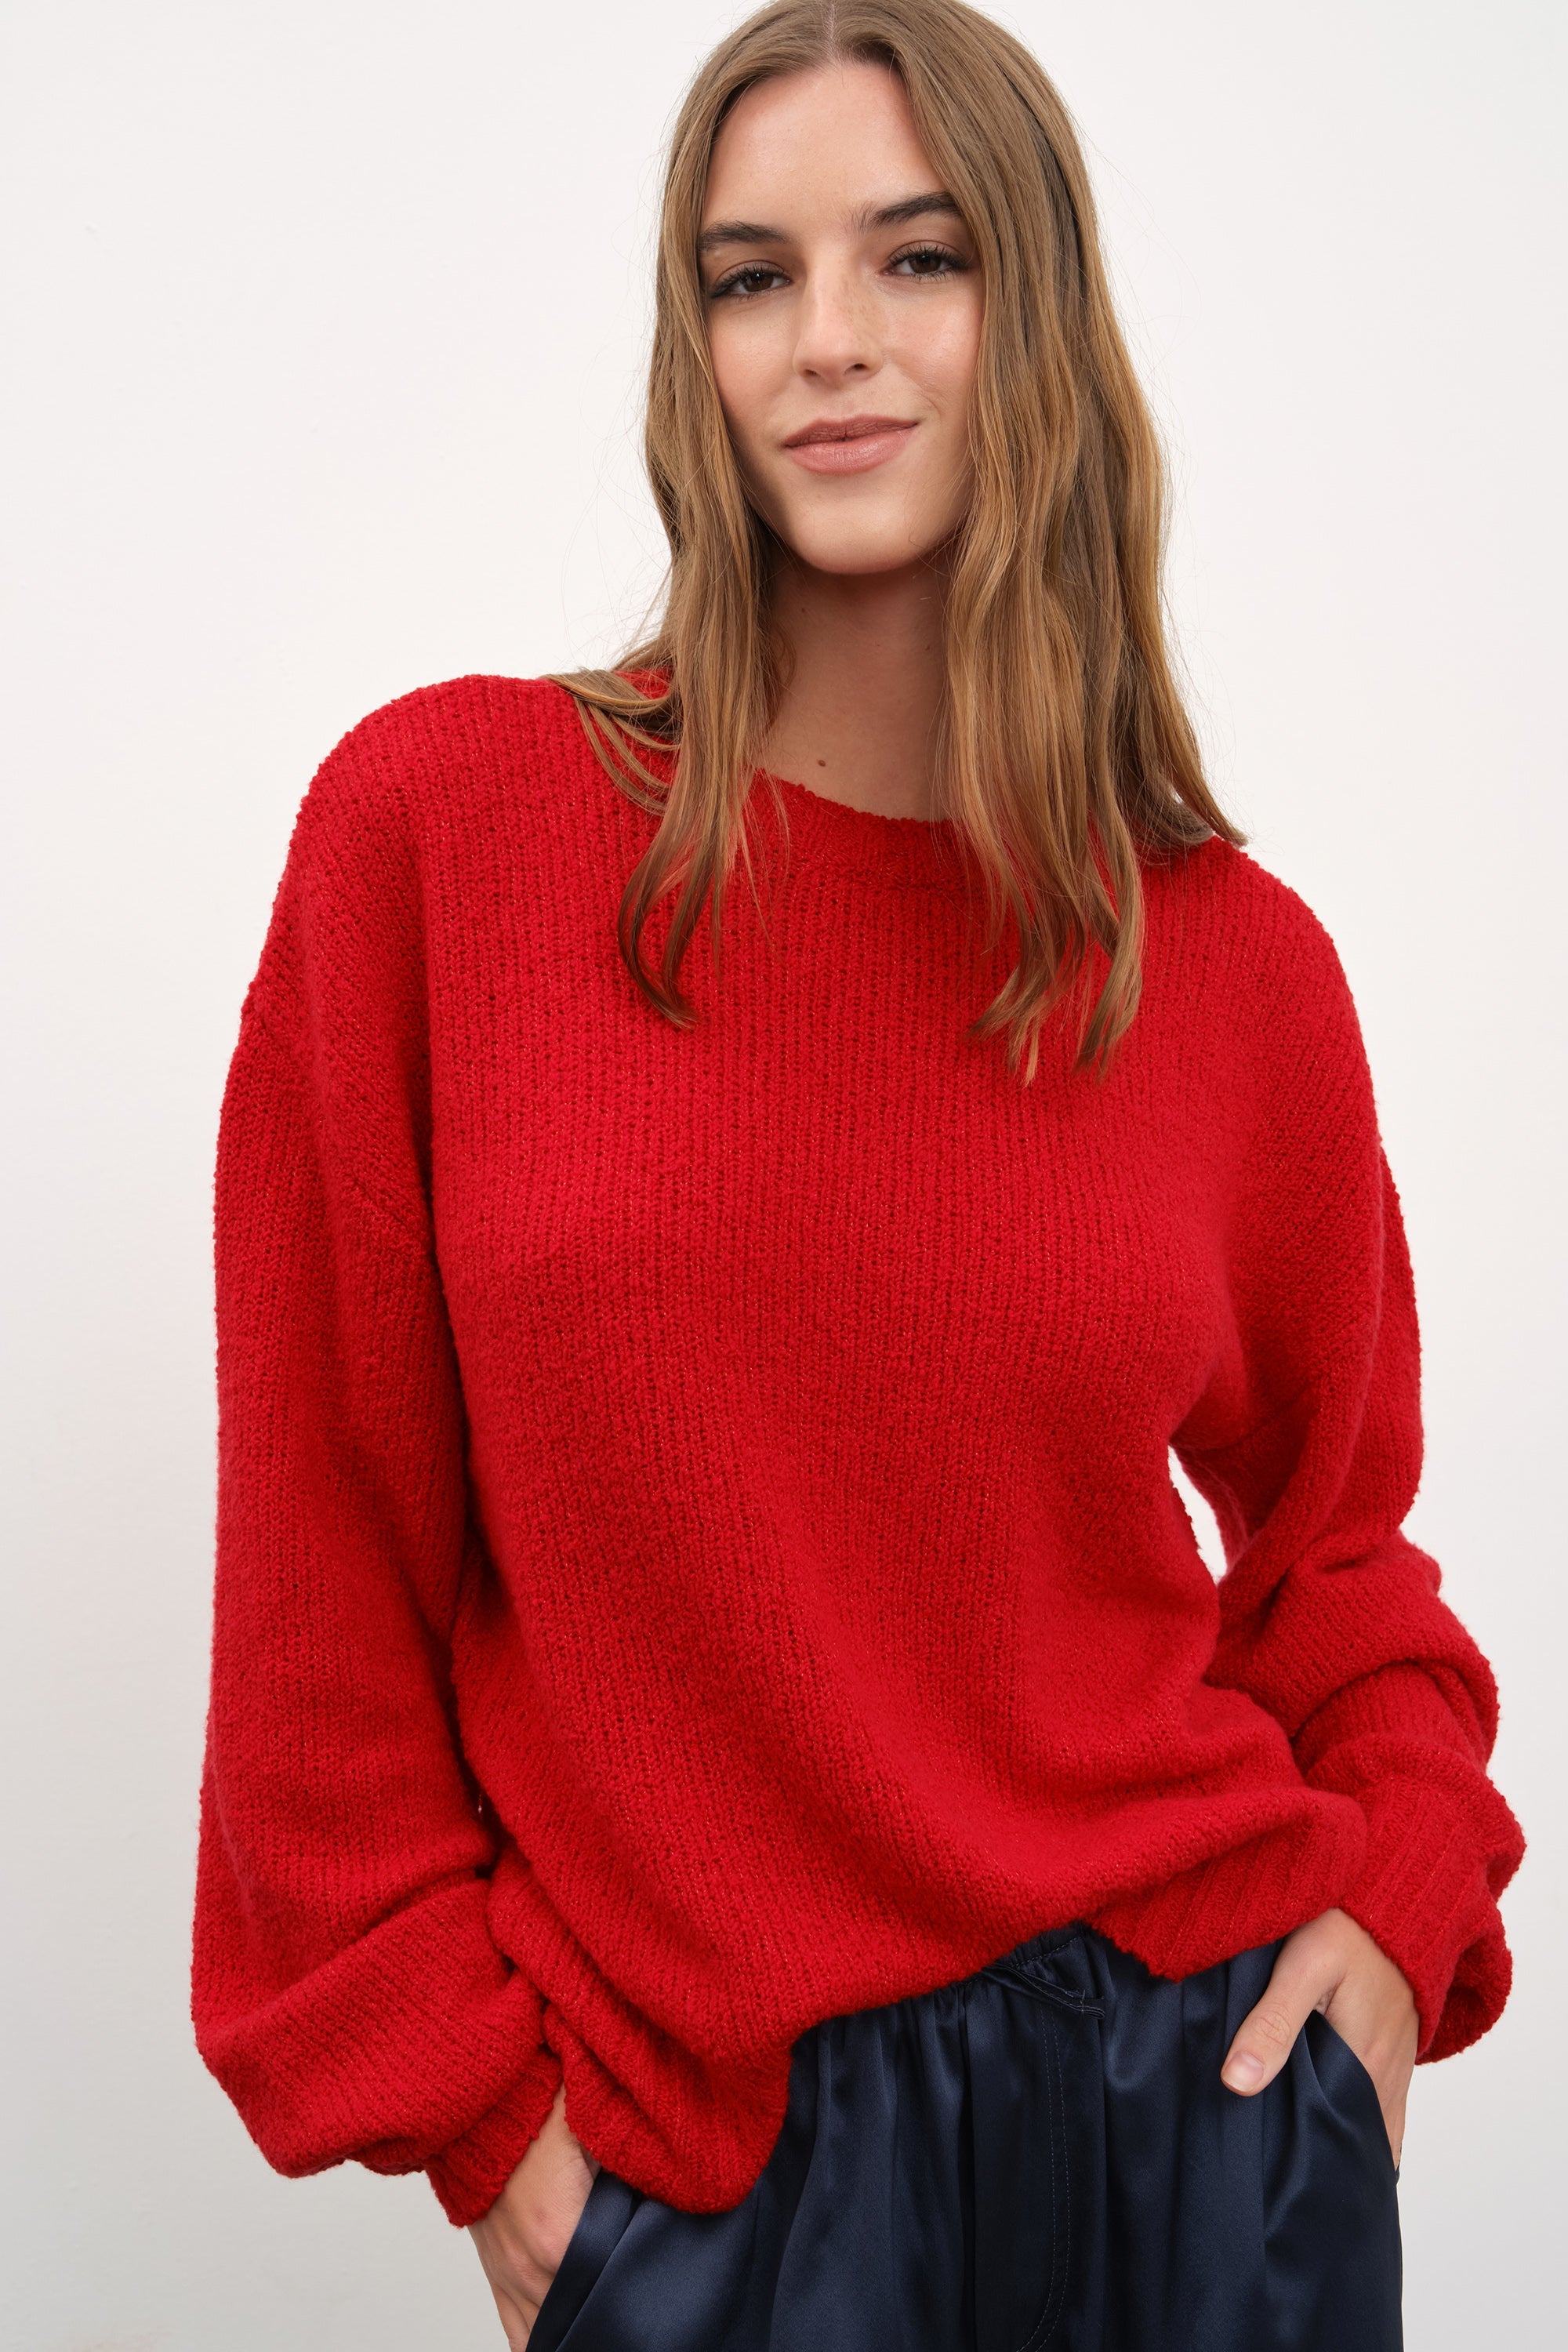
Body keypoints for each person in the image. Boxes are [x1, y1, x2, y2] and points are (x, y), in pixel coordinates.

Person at [190, 3, 1526, 2346]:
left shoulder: (1230, 965)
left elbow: (1336, 1554)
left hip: (1195, 2106)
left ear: (1039, 313)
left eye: (918, 257)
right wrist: (488, 2127)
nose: (828, 339)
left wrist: (1401, 1904)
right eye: (751, 275)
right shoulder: (442, 841)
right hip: (718, 2160)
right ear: (690, 345)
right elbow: (326, 1555)